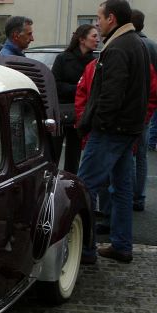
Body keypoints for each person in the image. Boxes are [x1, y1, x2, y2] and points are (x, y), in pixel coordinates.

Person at [76, 0, 150, 264]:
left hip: (112, 130)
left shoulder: (119, 47)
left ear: (112, 18)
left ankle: (85, 250)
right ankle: (121, 245)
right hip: (128, 128)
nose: (97, 23)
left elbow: (111, 95)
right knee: (121, 189)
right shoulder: (135, 43)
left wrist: (99, 125)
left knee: (83, 188)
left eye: (99, 18)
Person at [51, 24, 99, 174]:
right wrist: (79, 89)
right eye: (94, 36)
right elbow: (55, 84)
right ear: (82, 39)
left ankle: (70, 190)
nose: (97, 40)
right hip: (62, 112)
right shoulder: (63, 58)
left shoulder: (95, 62)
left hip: (81, 114)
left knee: (74, 156)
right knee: (54, 154)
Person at [130, 9, 157, 212]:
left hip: (135, 107)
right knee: (141, 156)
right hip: (148, 107)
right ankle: (138, 197)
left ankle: (129, 196)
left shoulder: (133, 44)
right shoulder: (152, 45)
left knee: (128, 154)